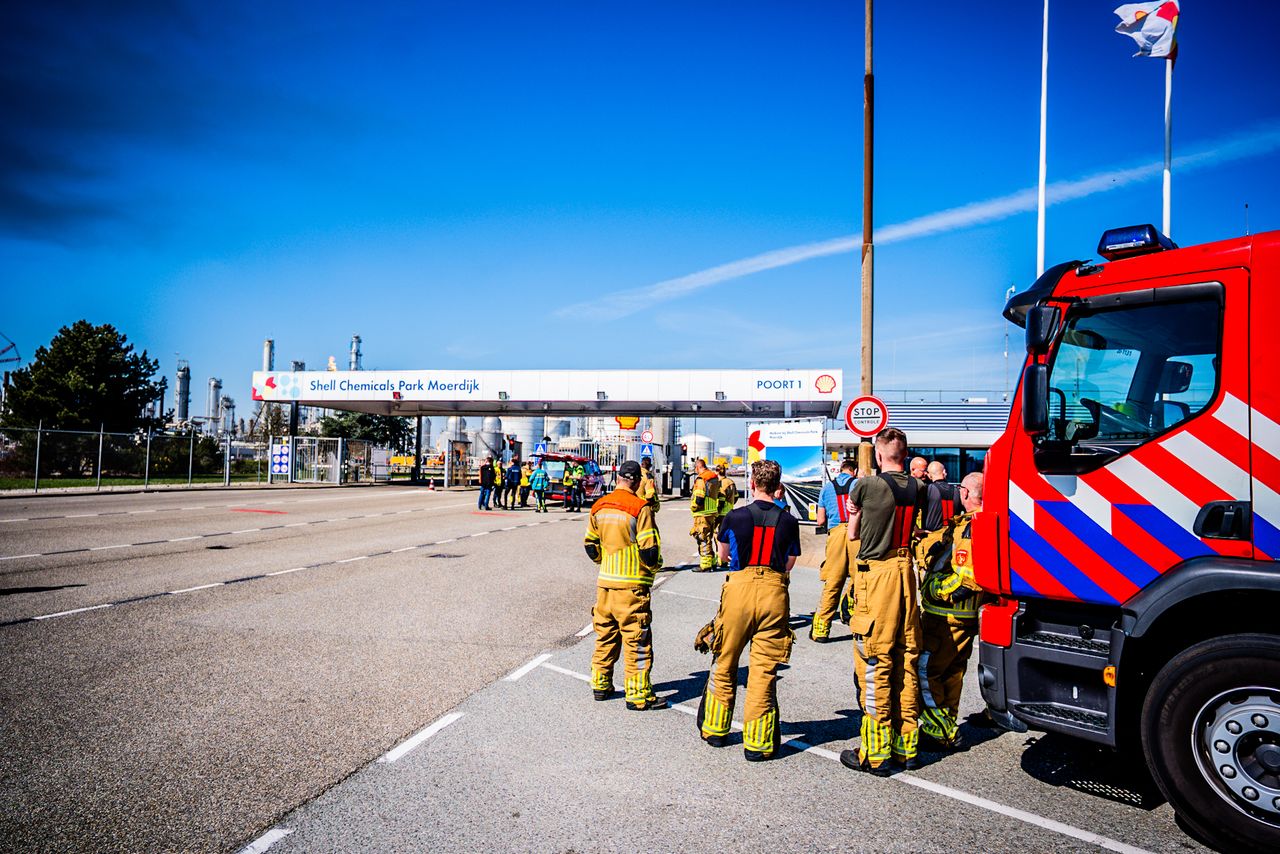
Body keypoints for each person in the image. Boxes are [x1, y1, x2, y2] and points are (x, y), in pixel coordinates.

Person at [695, 459, 801, 761]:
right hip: (774, 592)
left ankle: (715, 729)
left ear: (752, 484)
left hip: (739, 589)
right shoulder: (789, 521)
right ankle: (758, 744)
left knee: (725, 660)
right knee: (764, 671)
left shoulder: (735, 517)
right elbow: (790, 561)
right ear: (778, 487)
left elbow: (724, 553)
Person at [840, 427, 927, 776]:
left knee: (876, 659)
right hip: (908, 571)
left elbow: (853, 533)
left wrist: (855, 513)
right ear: (905, 455)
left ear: (879, 455)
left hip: (878, 576)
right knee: (907, 656)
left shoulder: (866, 486)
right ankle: (906, 746)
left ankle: (875, 753)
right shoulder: (918, 487)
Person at [583, 460, 667, 710]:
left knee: (605, 635)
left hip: (605, 585)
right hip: (631, 586)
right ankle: (638, 695)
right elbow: (650, 551)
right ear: (637, 481)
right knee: (636, 640)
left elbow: (590, 545)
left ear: (619, 478)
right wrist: (652, 569)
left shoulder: (599, 505)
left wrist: (605, 561)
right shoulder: (640, 508)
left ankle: (600, 684)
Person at [916, 472, 987, 752]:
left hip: (947, 615)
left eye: (961, 488)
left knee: (925, 671)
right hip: (965, 617)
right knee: (952, 673)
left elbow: (967, 577)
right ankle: (945, 723)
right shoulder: (979, 522)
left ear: (967, 494)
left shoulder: (972, 527)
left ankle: (940, 730)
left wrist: (935, 588)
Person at [810, 459, 858, 643]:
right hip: (856, 535)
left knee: (833, 582)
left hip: (836, 535)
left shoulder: (826, 488)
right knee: (859, 579)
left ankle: (821, 629)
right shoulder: (858, 484)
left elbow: (820, 520)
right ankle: (856, 621)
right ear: (854, 470)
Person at [689, 458, 722, 571]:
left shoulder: (701, 479)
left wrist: (694, 507)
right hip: (712, 512)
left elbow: (699, 498)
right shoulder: (714, 477)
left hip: (702, 513)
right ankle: (712, 561)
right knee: (709, 537)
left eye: (696, 469)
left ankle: (705, 565)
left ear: (698, 467)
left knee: (702, 537)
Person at [918, 460, 961, 533]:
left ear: (929, 475)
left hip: (931, 537)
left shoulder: (927, 489)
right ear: (944, 472)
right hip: (953, 536)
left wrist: (916, 529)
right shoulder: (957, 491)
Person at [637, 456, 663, 568]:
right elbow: (650, 494)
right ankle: (653, 562)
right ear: (650, 466)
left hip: (631, 509)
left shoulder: (635, 474)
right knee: (651, 537)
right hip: (644, 510)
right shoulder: (648, 476)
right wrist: (654, 506)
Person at [714, 464, 738, 567]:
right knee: (728, 535)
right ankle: (726, 557)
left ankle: (721, 559)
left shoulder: (721, 483)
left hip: (721, 514)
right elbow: (736, 496)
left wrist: (718, 511)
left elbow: (721, 499)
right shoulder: (731, 482)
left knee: (718, 535)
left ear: (717, 471)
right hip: (730, 511)